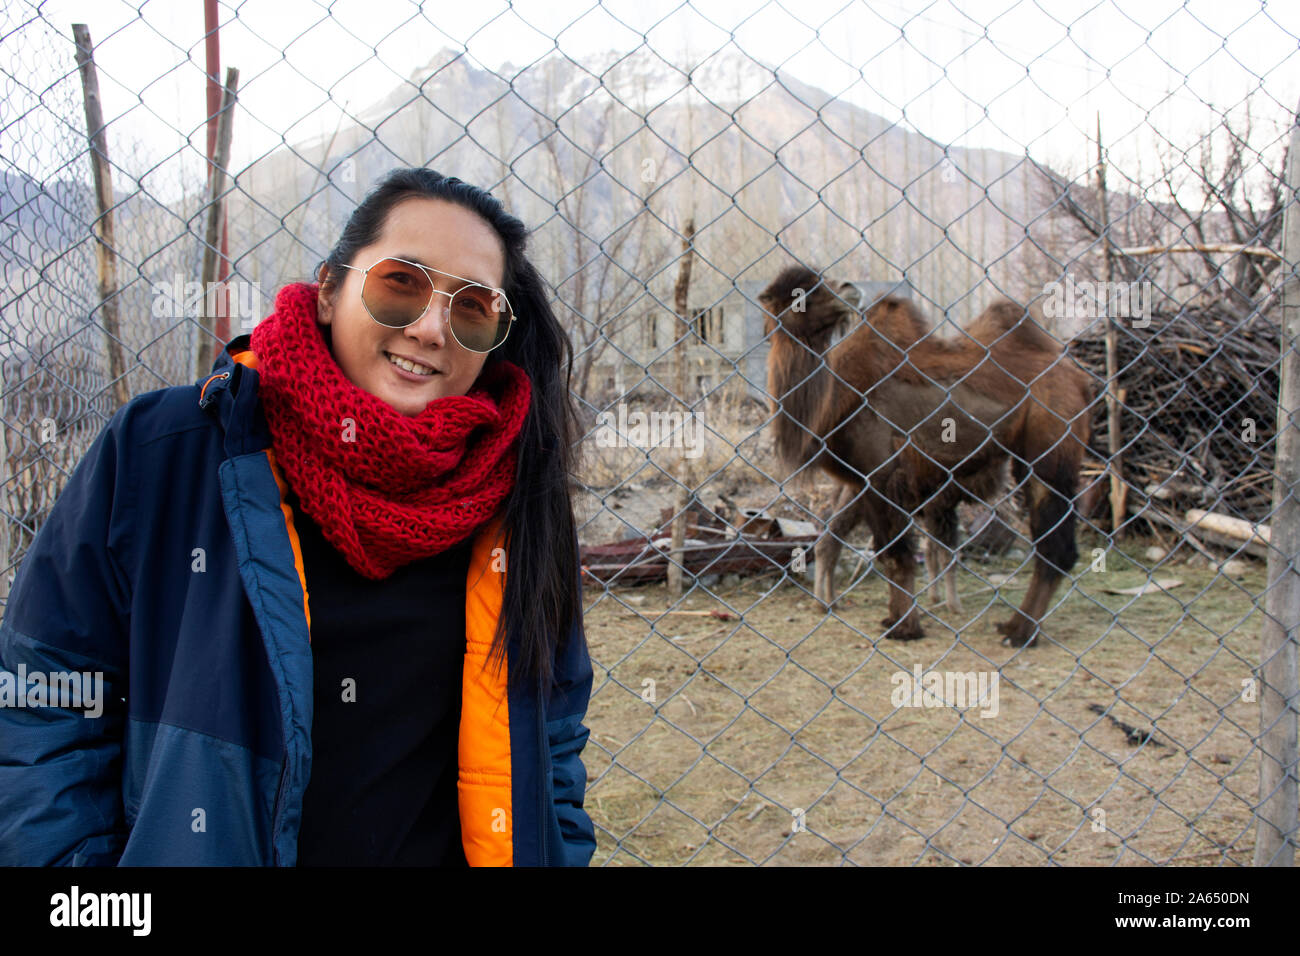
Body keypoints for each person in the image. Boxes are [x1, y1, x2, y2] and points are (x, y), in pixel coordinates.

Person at [0, 168, 596, 866]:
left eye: (471, 307)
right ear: (329, 290)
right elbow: (43, 699)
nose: (433, 328)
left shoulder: (515, 493)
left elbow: (551, 737)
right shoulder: (168, 452)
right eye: (400, 283)